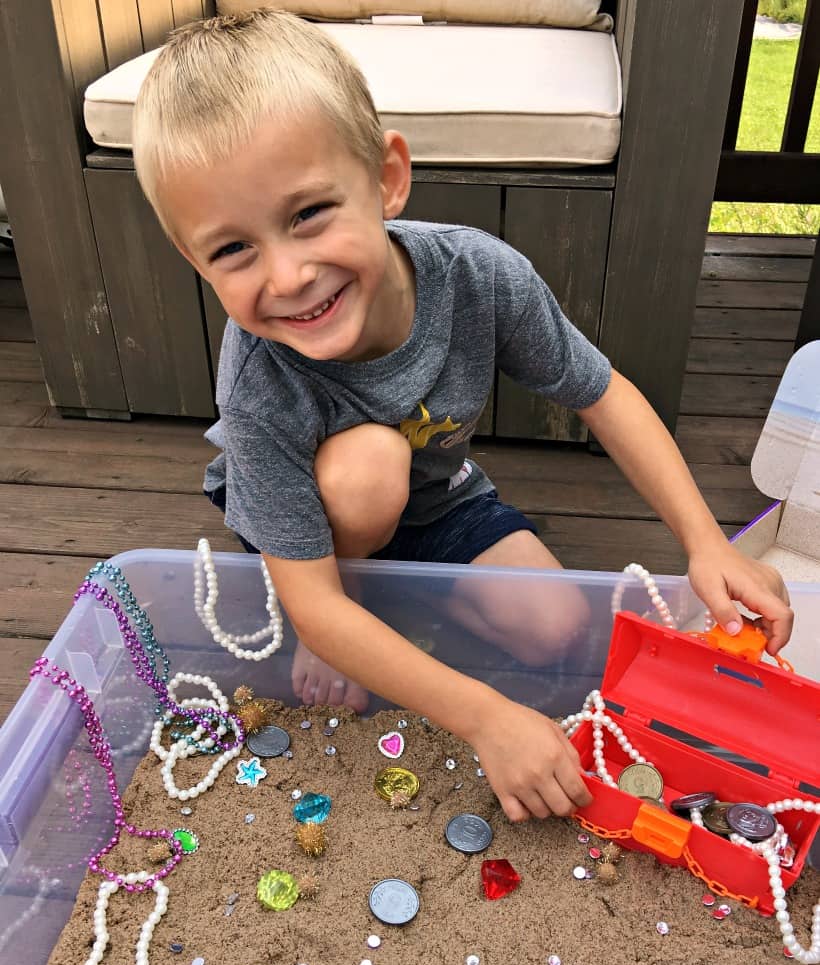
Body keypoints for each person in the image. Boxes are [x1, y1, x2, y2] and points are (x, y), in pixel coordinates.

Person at [132, 9, 792, 825]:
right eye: (233, 250)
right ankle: (365, 604)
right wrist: (481, 715)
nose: (290, 274)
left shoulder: (478, 274)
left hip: (441, 496)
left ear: (387, 179)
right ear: (195, 261)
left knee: (553, 626)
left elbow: (604, 393)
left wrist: (703, 542)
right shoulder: (261, 378)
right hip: (314, 526)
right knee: (369, 469)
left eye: (308, 214)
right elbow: (310, 599)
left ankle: (393, 608)